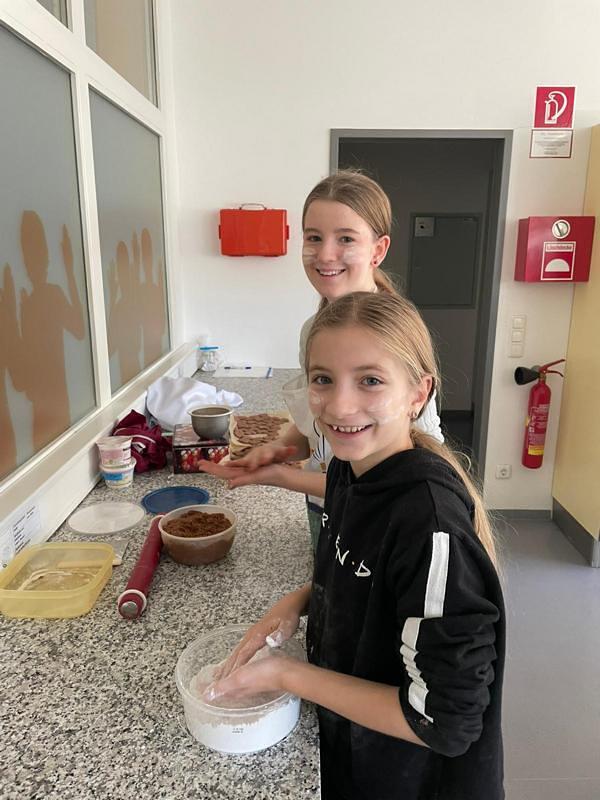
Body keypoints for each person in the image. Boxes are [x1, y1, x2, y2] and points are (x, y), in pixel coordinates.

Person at [203, 292, 505, 800]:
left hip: (413, 778)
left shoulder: (429, 527)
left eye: (370, 380)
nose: (340, 407)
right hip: (355, 746)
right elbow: (362, 573)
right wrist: (297, 601)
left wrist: (288, 675)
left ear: (418, 393)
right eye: (323, 379)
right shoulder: (350, 469)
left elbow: (445, 721)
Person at [197, 171, 443, 552]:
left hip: (385, 516)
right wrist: (278, 450)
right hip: (324, 502)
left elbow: (394, 475)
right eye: (314, 237)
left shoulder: (392, 337)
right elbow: (321, 421)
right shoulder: (313, 330)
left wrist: (282, 477)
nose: (326, 254)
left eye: (346, 238)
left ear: (378, 250)